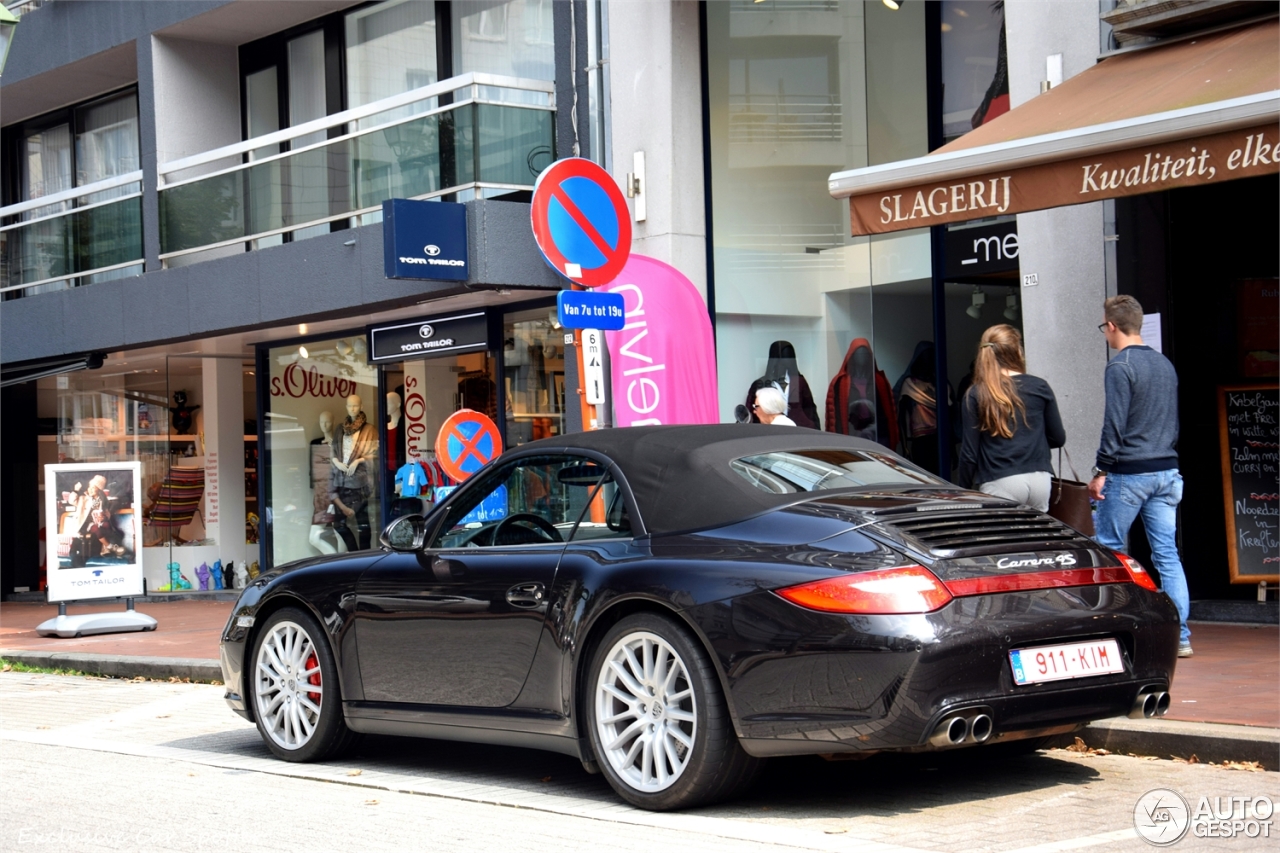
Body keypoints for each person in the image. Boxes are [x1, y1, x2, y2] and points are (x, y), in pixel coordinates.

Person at [1089, 296, 1192, 657]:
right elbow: (1174, 424)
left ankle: (1113, 632)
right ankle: (1180, 638)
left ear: (1113, 326)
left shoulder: (1120, 367)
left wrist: (1100, 470)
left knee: (1109, 550)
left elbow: (1113, 426)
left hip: (1129, 472)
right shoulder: (1164, 364)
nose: (1105, 334)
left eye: (1104, 327)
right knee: (1167, 554)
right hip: (1167, 470)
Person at [955, 325, 1065, 512]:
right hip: (1040, 480)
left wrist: (962, 491)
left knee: (1002, 540)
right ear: (1017, 350)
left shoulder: (976, 393)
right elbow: (1058, 438)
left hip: (1001, 480)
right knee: (1035, 539)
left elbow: (969, 454)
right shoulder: (1040, 386)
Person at [331, 394, 379, 551]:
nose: (352, 408)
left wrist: (359, 460)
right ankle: (354, 553)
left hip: (359, 482)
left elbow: (377, 454)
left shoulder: (369, 429)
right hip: (341, 481)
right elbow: (333, 451)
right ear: (346, 407)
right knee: (338, 524)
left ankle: (364, 556)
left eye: (356, 405)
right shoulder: (340, 429)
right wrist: (336, 462)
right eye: (349, 405)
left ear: (361, 407)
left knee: (362, 523)